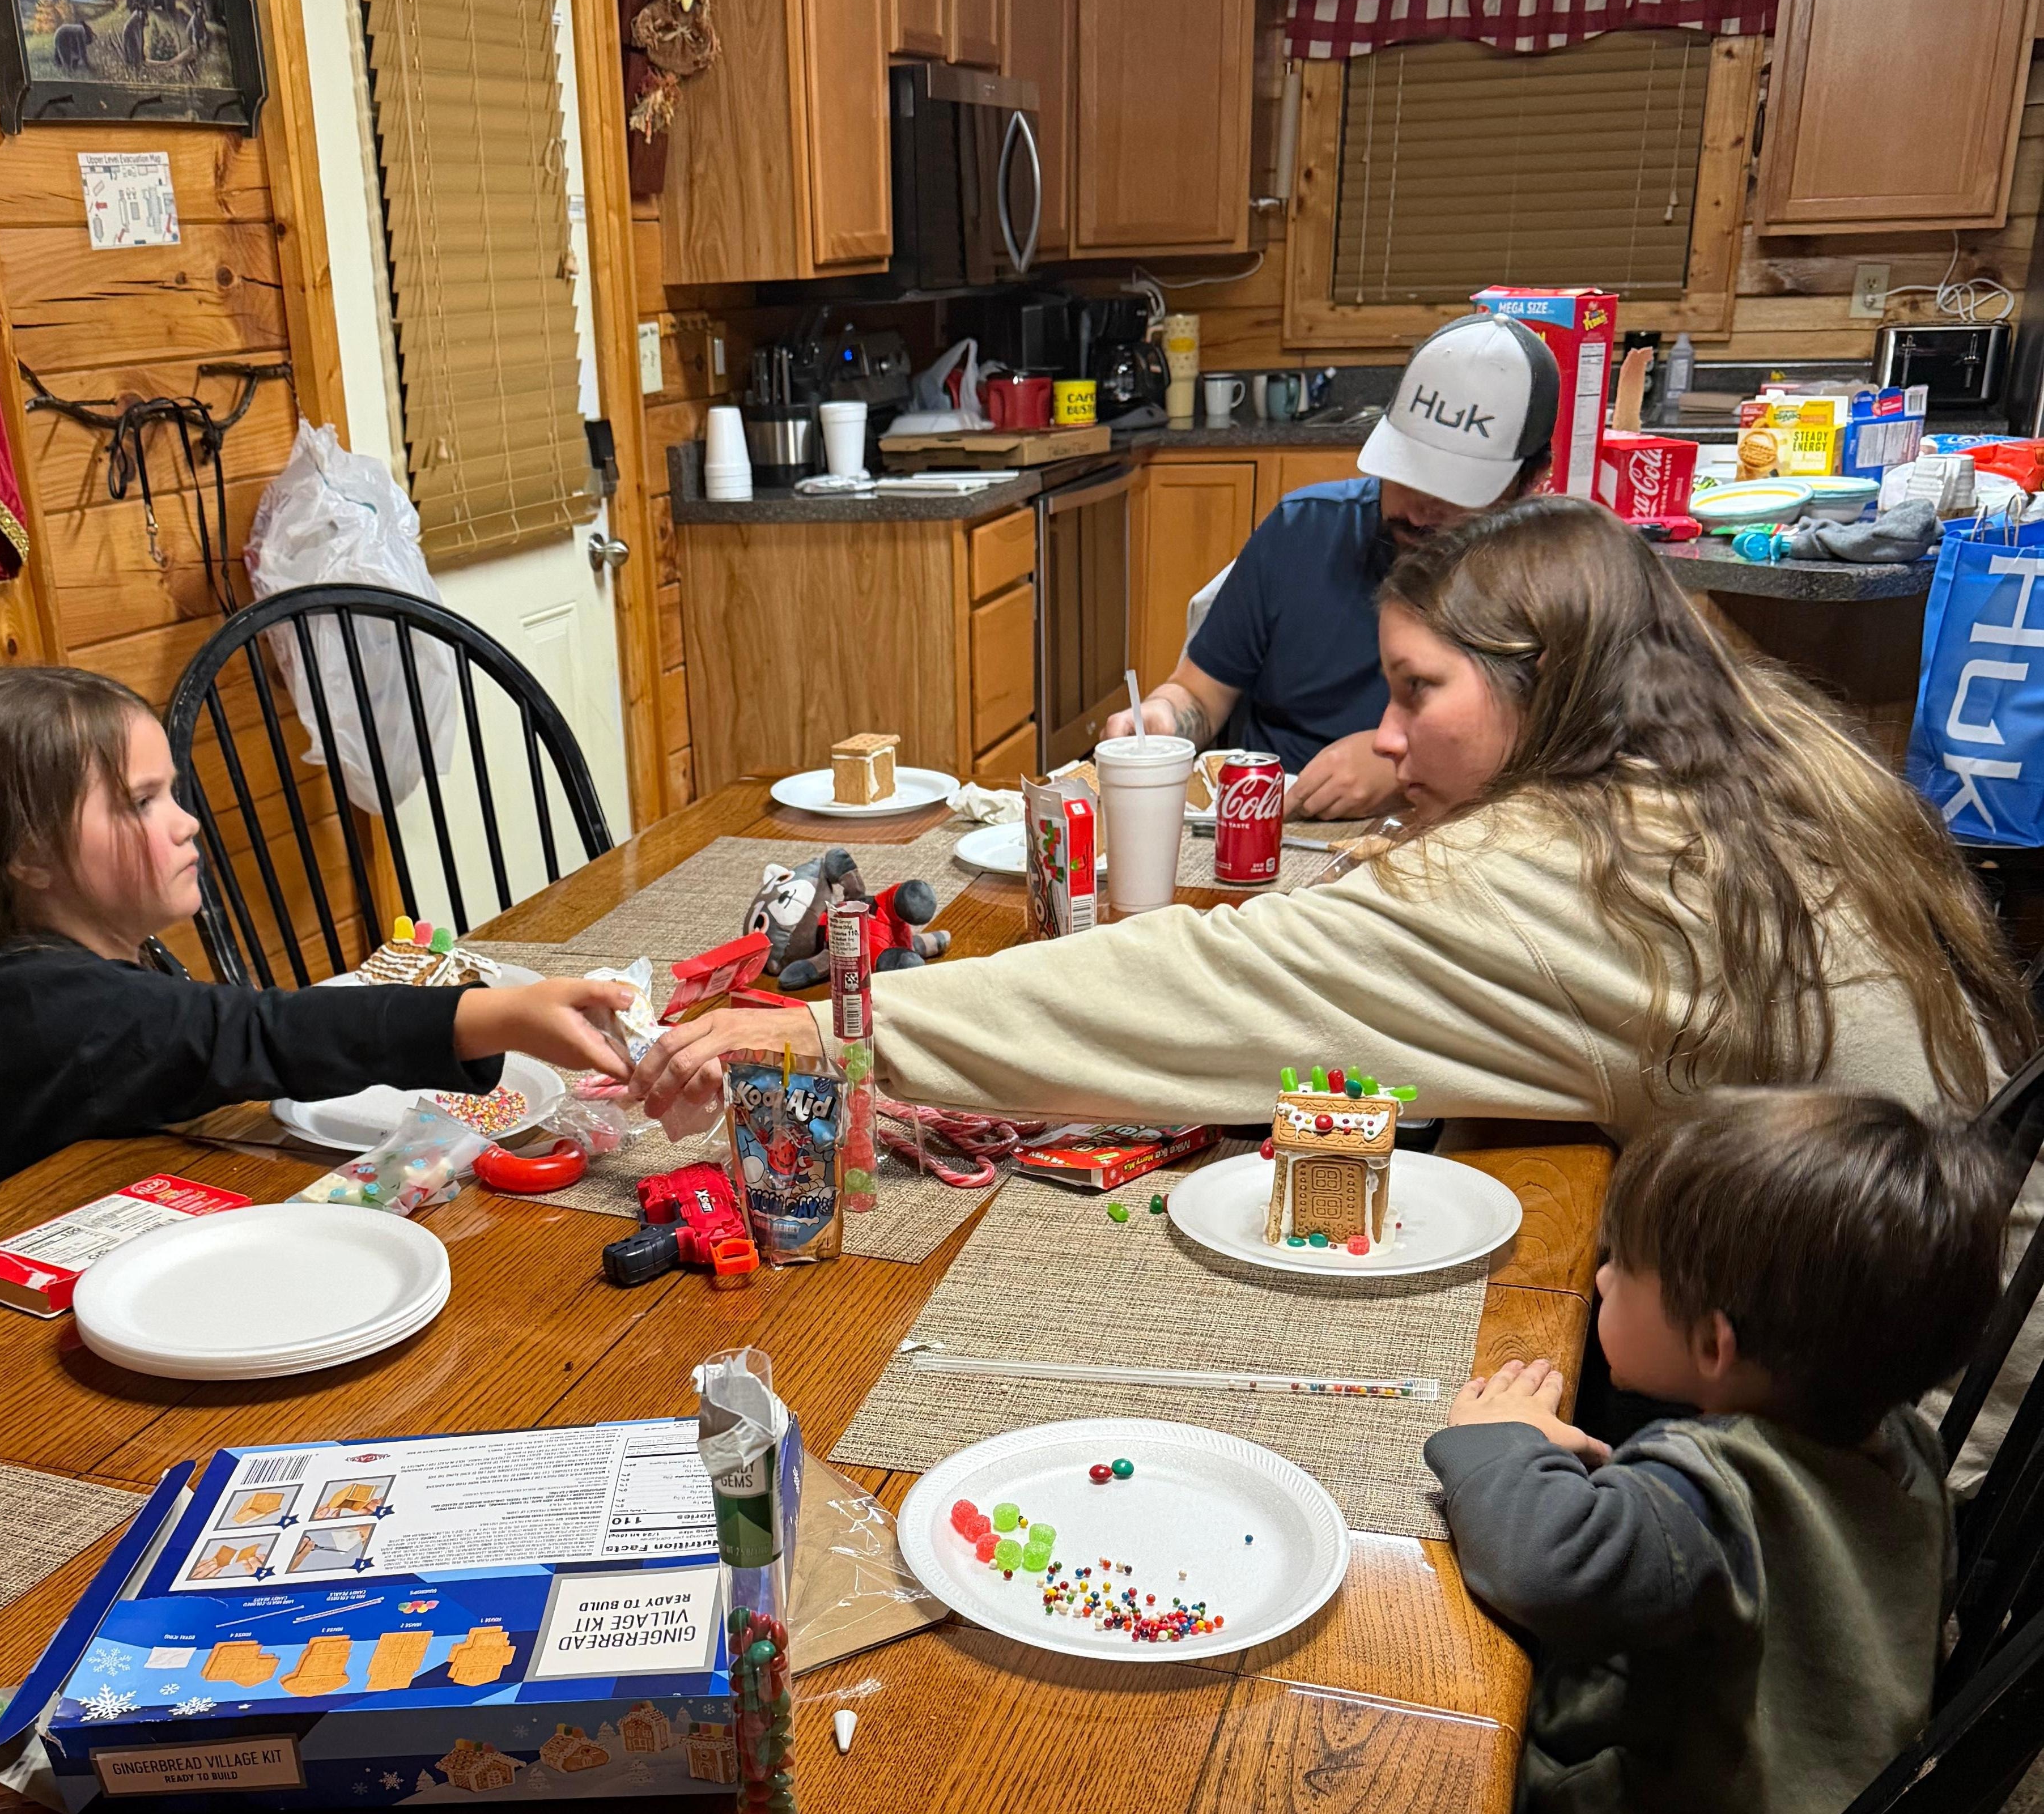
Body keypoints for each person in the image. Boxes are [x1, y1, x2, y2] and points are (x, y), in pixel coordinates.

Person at [628, 497, 2039, 1449]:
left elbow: (1191, 989)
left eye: (1420, 691)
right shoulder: (1759, 746)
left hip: (1885, 1435)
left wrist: (824, 1024)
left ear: (1550, 685)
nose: (1389, 732)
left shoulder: (1566, 873)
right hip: (1954, 1338)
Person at [1426, 1088, 2008, 1814]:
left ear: (1713, 1345)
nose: (1599, 1278)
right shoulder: (1896, 1447)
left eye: (1620, 1268)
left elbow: (1537, 1561)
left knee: (1405, 1807)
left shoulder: (1710, 1510)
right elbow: (1705, 1555)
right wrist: (1601, 1475)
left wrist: (1493, 1446)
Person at [0, 663, 632, 1210]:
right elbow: (259, 1033)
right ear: (29, 856)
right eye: (141, 802)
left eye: (172, 792)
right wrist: (494, 1016)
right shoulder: (38, 1004)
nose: (186, 820)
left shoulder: (72, 961)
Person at [1102, 312, 1561, 820]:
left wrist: (1408, 766)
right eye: (1410, 472)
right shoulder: (1302, 532)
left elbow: (1561, 756)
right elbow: (1197, 693)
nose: (1421, 510)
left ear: (1533, 479)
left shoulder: (1555, 586)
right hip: (1271, 823)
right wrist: (1160, 719)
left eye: (1456, 490)